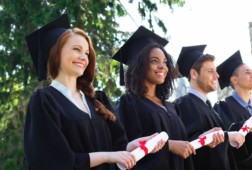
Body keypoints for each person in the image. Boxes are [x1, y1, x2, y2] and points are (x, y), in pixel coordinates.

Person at [23, 14, 163, 170]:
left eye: (87, 53)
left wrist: (130, 147)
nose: (83, 57)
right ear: (55, 53)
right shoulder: (44, 101)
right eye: (77, 49)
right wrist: (107, 156)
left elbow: (117, 146)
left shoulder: (97, 100)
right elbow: (51, 161)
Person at [113, 26, 195, 170]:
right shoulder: (128, 103)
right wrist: (169, 146)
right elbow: (126, 150)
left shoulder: (170, 107)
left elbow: (183, 145)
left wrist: (203, 139)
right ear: (139, 65)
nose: (162, 66)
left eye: (164, 61)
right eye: (154, 61)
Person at [174, 45, 252, 170]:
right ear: (193, 73)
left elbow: (228, 154)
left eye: (216, 71)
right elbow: (190, 147)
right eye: (210, 71)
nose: (217, 76)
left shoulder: (209, 108)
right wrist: (227, 136)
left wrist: (243, 129)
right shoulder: (183, 104)